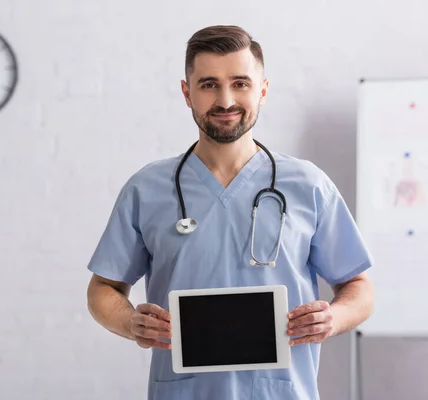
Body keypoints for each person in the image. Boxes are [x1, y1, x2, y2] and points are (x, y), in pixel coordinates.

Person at [85, 25, 375, 400]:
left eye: (240, 83)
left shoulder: (308, 185)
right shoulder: (147, 189)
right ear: (187, 93)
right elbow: (102, 289)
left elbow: (359, 287)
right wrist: (130, 322)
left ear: (263, 90)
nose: (225, 101)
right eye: (208, 85)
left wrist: (332, 319)